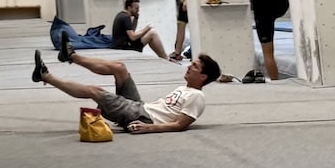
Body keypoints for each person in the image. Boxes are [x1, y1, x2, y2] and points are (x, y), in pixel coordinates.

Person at [32, 37, 218, 133]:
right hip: (141, 107)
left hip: (142, 117)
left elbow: (179, 125)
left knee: (94, 91)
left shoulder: (197, 97)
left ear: (203, 77)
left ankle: (45, 76)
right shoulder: (184, 88)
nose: (189, 67)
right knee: (120, 68)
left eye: (194, 66)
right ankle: (71, 56)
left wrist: (148, 128)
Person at [109, 0, 173, 59]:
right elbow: (133, 37)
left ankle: (163, 57)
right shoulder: (126, 17)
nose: (138, 10)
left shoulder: (121, 15)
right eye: (136, 8)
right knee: (152, 33)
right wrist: (146, 29)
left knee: (151, 35)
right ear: (129, 7)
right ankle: (165, 58)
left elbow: (132, 31)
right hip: (125, 47)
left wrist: (136, 19)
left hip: (124, 44)